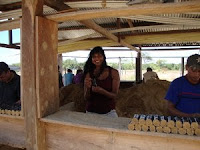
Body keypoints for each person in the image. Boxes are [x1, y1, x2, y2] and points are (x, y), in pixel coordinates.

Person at [83, 46, 120, 117]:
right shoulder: (89, 74)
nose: (97, 58)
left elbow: (115, 95)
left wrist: (102, 91)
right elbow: (86, 98)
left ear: (104, 57)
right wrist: (88, 88)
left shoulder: (113, 72)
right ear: (91, 59)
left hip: (109, 112)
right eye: (94, 56)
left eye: (99, 56)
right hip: (91, 112)